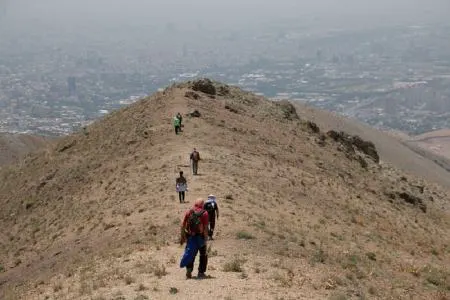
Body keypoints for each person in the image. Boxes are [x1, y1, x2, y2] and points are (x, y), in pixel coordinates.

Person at [179, 199, 209, 279]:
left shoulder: (189, 212)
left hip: (190, 237)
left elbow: (182, 225)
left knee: (190, 253)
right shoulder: (204, 213)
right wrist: (205, 239)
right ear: (202, 204)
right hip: (200, 237)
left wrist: (183, 237)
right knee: (203, 255)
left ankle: (189, 270)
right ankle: (201, 272)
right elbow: (206, 228)